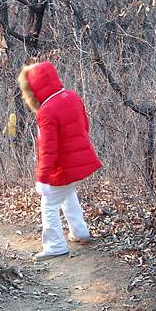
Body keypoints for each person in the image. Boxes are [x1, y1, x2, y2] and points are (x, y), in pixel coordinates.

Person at [17, 61, 102, 262]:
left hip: (63, 167)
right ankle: (80, 232)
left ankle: (55, 246)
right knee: (68, 194)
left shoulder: (46, 111)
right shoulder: (72, 96)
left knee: (49, 204)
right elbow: (85, 127)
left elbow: (48, 149)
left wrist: (42, 178)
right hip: (79, 163)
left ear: (34, 88)